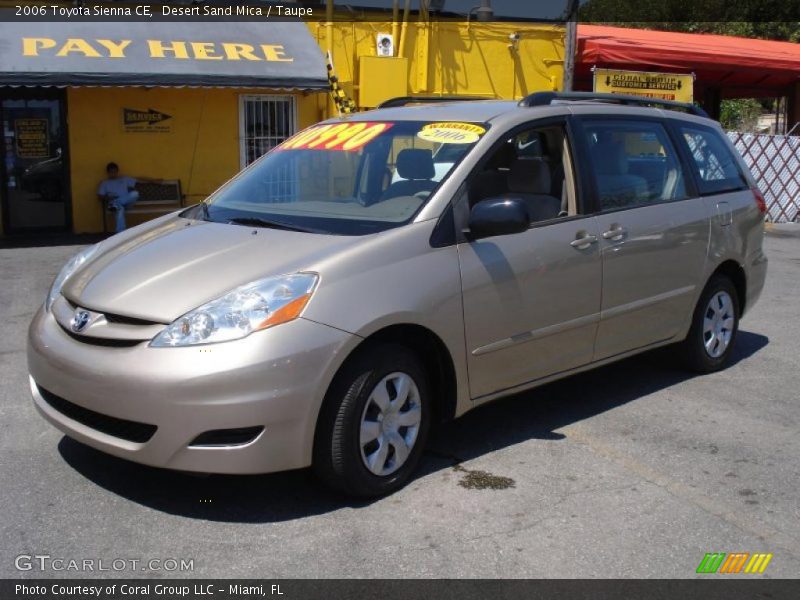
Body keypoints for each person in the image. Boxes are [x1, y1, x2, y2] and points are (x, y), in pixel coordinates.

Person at [97, 162, 161, 233]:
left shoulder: (124, 179)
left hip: (125, 203)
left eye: (115, 172)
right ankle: (121, 233)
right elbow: (100, 197)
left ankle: (116, 203)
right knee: (120, 209)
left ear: (117, 171)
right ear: (108, 173)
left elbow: (139, 179)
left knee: (135, 193)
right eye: (111, 172)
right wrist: (109, 198)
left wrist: (153, 180)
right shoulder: (105, 183)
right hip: (113, 204)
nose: (113, 174)